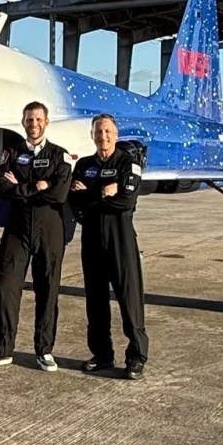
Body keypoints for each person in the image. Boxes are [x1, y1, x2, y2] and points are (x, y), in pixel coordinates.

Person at [0, 101, 72, 372]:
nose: (34, 123)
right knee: (6, 286)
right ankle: (2, 349)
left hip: (49, 229)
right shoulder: (12, 153)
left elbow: (59, 194)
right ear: (23, 121)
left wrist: (23, 186)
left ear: (46, 122)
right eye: (29, 119)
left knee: (48, 288)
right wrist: (39, 185)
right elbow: (4, 187)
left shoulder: (59, 155)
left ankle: (44, 350)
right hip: (17, 229)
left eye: (38, 119)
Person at [69, 113, 148, 380]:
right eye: (98, 132)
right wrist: (102, 192)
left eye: (107, 132)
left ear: (116, 135)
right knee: (95, 299)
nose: (103, 136)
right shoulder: (84, 165)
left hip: (121, 238)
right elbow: (75, 201)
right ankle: (102, 354)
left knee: (129, 296)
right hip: (91, 238)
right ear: (92, 135)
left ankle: (136, 356)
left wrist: (90, 194)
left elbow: (126, 202)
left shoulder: (128, 163)